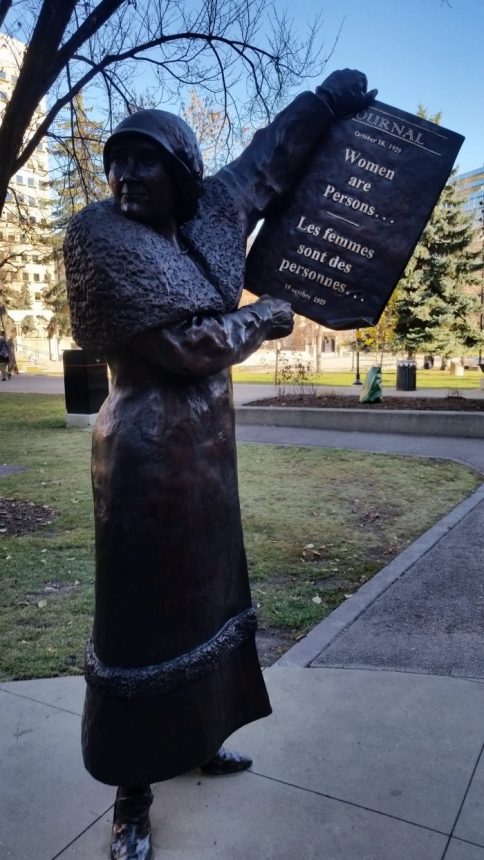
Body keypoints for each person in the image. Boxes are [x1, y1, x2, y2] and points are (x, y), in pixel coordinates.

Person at [64, 68, 376, 860]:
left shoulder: (212, 215)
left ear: (181, 171)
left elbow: (270, 159)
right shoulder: (99, 239)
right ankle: (132, 792)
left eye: (145, 161)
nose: (126, 176)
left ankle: (200, 735)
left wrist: (329, 104)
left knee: (207, 597)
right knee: (140, 618)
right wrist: (263, 319)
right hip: (142, 454)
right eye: (117, 162)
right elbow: (181, 349)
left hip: (208, 453)